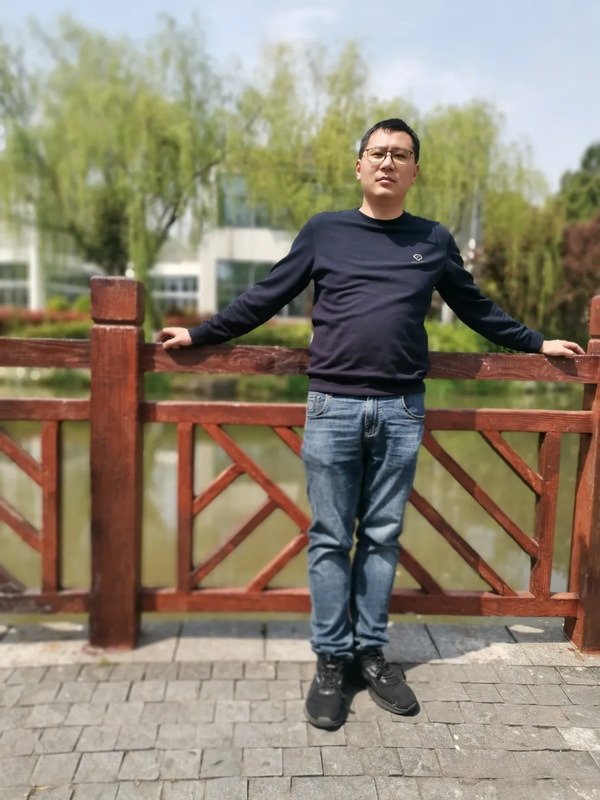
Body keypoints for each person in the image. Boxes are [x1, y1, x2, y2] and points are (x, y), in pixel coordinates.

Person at [157, 118, 584, 730]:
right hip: (331, 406)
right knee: (331, 538)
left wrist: (536, 342)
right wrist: (201, 333)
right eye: (377, 152)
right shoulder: (324, 231)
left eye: (399, 155)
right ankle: (332, 661)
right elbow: (267, 295)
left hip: (401, 410)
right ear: (358, 165)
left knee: (381, 537)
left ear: (414, 172)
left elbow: (475, 307)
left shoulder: (433, 239)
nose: (387, 162)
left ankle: (371, 654)